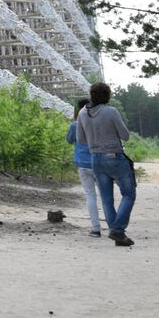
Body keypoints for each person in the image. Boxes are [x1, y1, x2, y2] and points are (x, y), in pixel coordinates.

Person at [76, 82, 136, 246]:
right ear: (107, 95)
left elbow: (80, 139)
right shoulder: (111, 111)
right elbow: (125, 135)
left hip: (95, 158)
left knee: (107, 199)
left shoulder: (83, 113)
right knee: (129, 194)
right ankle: (117, 230)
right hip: (113, 156)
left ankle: (117, 234)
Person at [67, 98, 101, 238]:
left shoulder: (75, 125)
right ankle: (114, 227)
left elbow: (69, 140)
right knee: (105, 196)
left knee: (90, 196)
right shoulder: (99, 121)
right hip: (99, 162)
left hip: (82, 163)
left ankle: (95, 228)